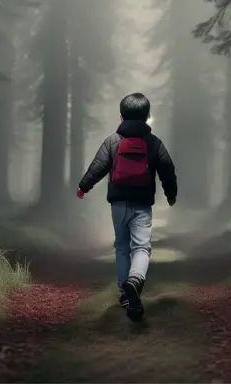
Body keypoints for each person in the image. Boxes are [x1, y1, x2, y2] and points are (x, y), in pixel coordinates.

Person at [76, 92, 177, 322]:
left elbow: (98, 166)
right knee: (141, 247)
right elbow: (167, 170)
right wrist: (171, 195)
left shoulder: (112, 141)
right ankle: (135, 280)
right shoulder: (153, 142)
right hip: (142, 203)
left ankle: (124, 294)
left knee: (122, 246)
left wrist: (83, 187)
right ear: (147, 116)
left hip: (119, 203)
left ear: (121, 117)